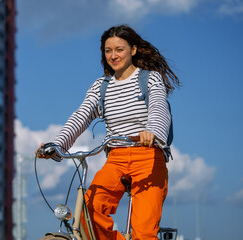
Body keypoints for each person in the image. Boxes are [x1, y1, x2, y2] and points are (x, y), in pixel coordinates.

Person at [37, 25, 180, 240]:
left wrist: (152, 132)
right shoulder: (101, 87)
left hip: (148, 157)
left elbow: (159, 108)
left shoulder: (150, 79)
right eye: (108, 50)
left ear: (133, 50)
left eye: (119, 49)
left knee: (144, 230)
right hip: (116, 158)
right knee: (88, 212)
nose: (113, 56)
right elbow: (81, 116)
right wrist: (57, 144)